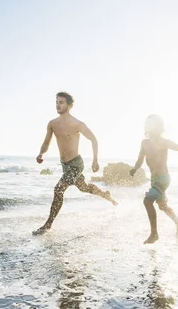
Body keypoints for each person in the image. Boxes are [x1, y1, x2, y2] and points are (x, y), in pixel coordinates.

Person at [33, 92, 118, 235]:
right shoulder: (52, 124)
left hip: (76, 164)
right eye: (57, 102)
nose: (58, 105)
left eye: (61, 102)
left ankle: (48, 225)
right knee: (83, 187)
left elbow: (93, 139)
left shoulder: (77, 124)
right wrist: (41, 153)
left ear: (69, 105)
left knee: (58, 189)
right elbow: (46, 142)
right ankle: (105, 194)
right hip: (65, 165)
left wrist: (95, 160)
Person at [129, 114, 178, 244]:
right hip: (154, 179)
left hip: (163, 179)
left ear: (159, 127)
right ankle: (177, 221)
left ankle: (154, 234)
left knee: (147, 201)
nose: (151, 127)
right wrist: (135, 168)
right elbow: (140, 160)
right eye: (149, 124)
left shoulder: (164, 142)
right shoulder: (144, 143)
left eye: (154, 125)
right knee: (162, 206)